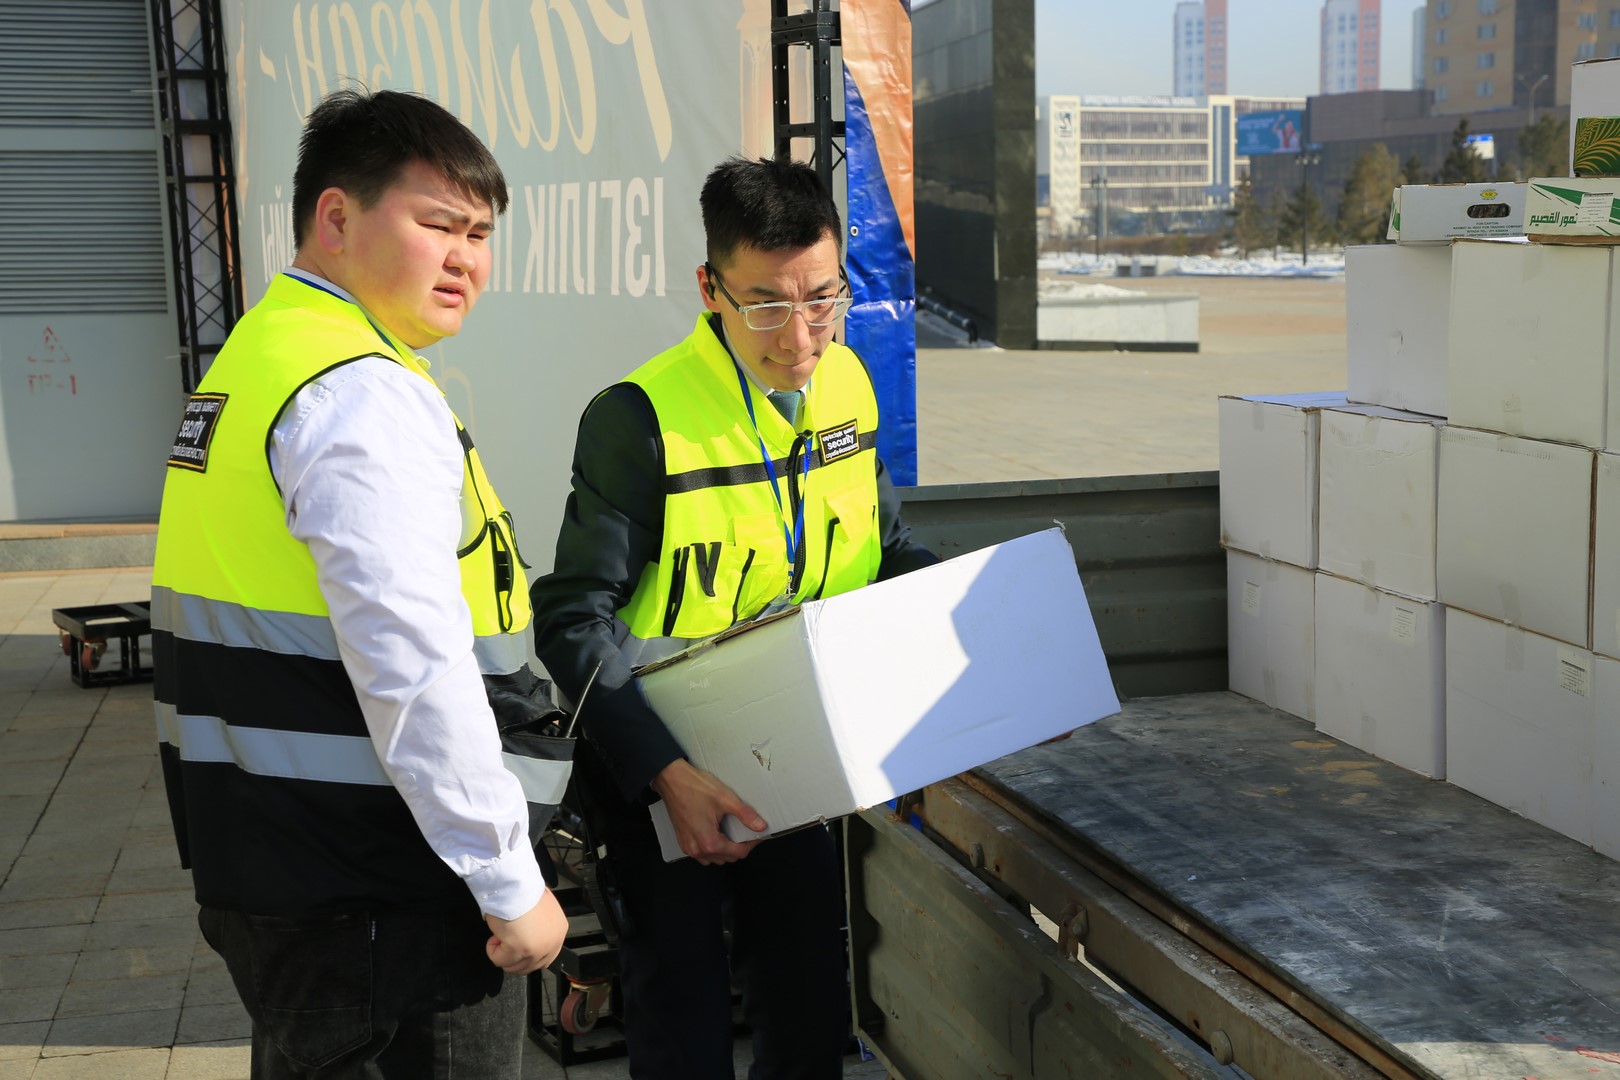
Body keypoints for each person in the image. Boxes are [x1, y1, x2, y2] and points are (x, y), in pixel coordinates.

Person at [151, 88, 568, 1078]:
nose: (467, 259)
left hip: (286, 864)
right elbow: (411, 664)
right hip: (388, 895)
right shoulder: (358, 393)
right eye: (440, 225)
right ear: (336, 217)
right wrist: (509, 881)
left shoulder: (267, 351)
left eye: (481, 234)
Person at [531, 156, 938, 1079]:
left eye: (822, 300)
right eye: (765, 306)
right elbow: (570, 619)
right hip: (660, 768)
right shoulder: (641, 419)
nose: (799, 336)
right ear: (709, 289)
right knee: (683, 1024)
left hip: (789, 754)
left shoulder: (848, 383)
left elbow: (882, 549)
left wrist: (973, 621)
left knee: (808, 1010)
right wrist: (668, 776)